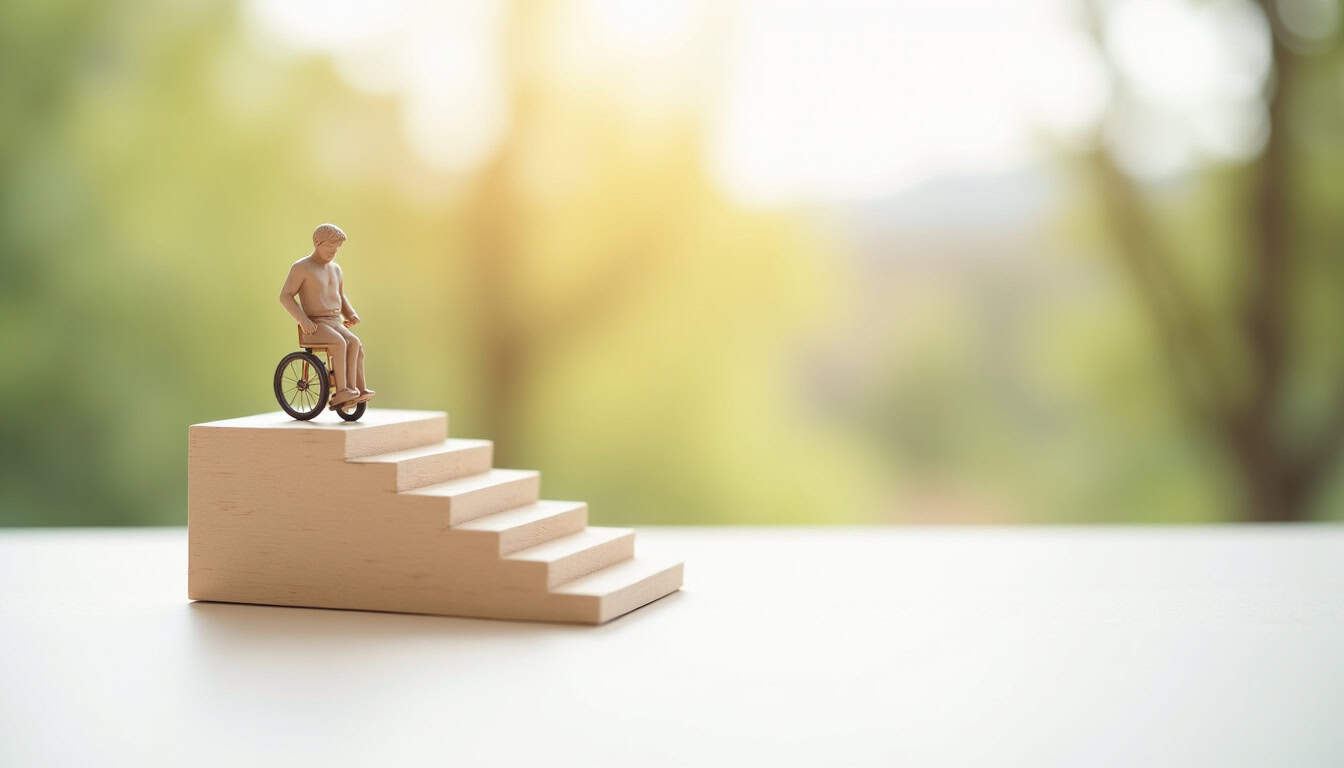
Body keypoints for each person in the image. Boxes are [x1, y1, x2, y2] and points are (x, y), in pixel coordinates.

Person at [278, 223, 375, 408]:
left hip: (335, 321)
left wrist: (350, 313)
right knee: (339, 343)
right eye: (330, 246)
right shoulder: (302, 267)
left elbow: (340, 295)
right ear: (317, 243)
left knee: (354, 343)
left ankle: (358, 388)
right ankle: (341, 391)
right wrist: (303, 320)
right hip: (314, 325)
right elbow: (285, 296)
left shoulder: (336, 269)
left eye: (337, 247)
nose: (334, 251)